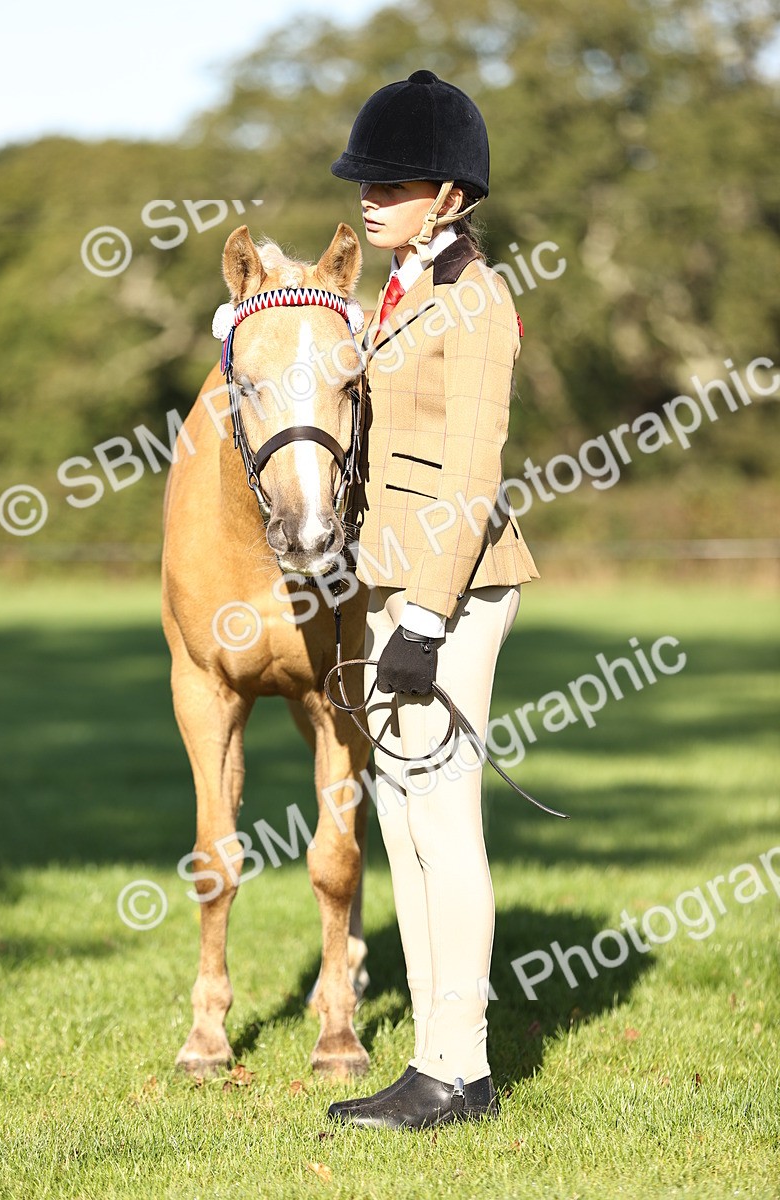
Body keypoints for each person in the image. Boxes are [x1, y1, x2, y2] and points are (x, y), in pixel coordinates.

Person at [327, 69, 539, 1130]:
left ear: (449, 192)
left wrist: (420, 620)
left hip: (450, 590)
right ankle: (430, 1058)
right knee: (401, 818)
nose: (369, 197)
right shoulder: (400, 289)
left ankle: (460, 1068)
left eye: (393, 180)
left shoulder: (475, 302)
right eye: (365, 179)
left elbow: (467, 475)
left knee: (443, 816)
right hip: (384, 577)